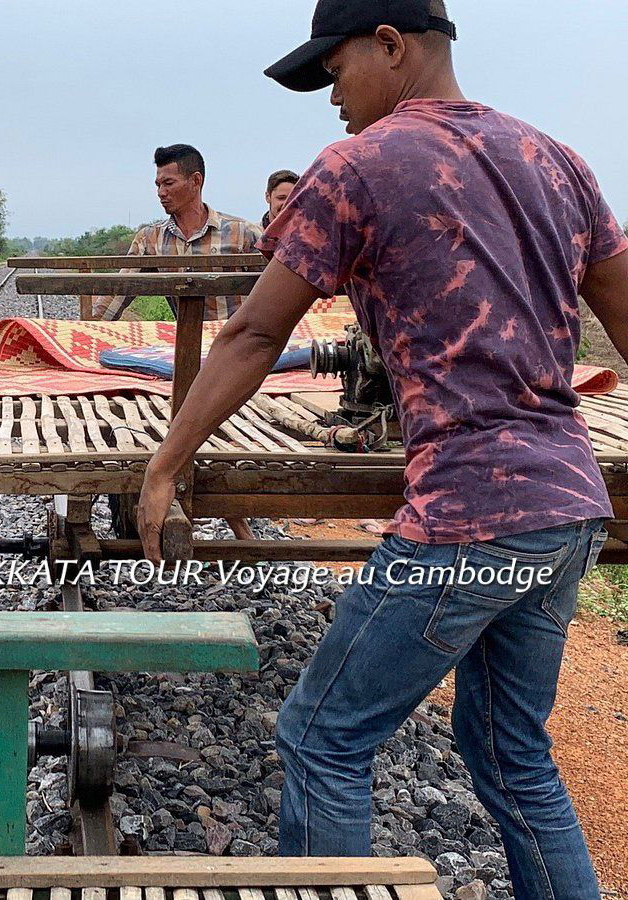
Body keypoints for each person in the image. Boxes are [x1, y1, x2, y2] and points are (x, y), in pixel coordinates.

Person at [135, 1, 627, 896]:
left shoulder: (356, 168)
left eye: (336, 72)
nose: (331, 98)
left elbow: (252, 335)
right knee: (513, 754)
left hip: (466, 519)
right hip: (568, 512)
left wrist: (166, 465)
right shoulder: (558, 161)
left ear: (393, 46)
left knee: (322, 736)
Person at [93, 144, 263, 322]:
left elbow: (276, 291)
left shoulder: (243, 233)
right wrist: (89, 329)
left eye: (168, 183)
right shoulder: (151, 239)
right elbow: (118, 293)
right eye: (158, 185)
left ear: (196, 181)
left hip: (236, 343)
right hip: (185, 343)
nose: (161, 193)